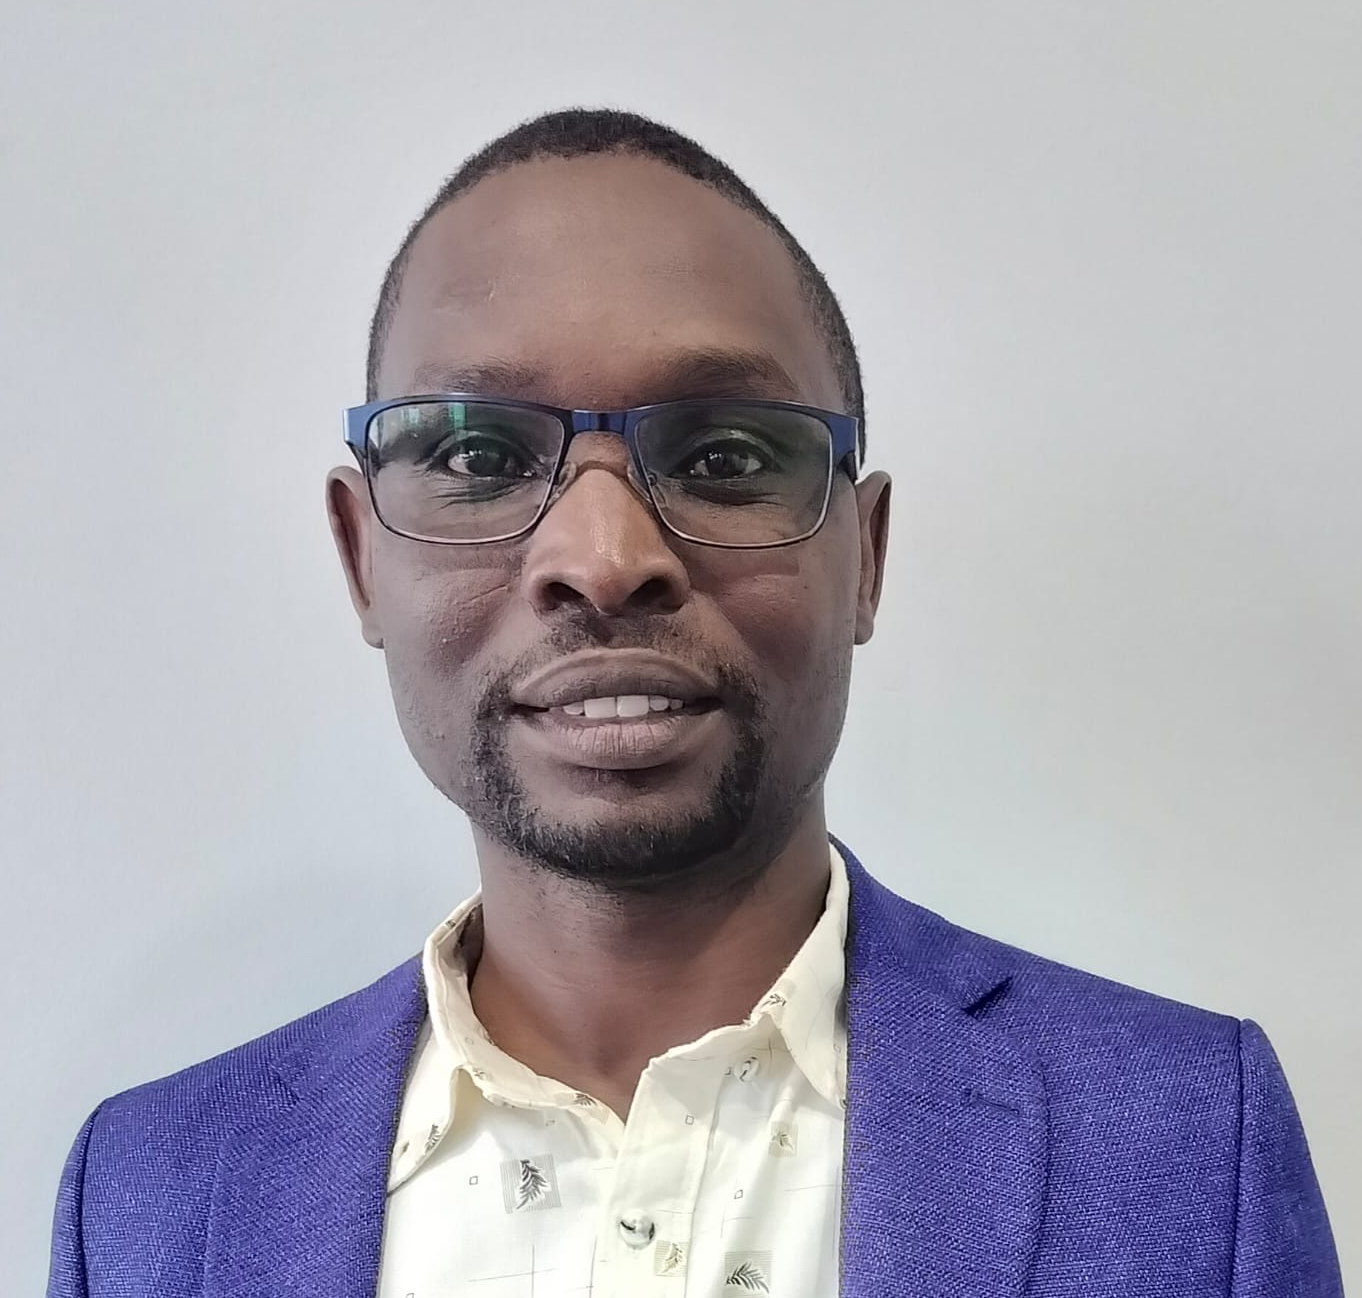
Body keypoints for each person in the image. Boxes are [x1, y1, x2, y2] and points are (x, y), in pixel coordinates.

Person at [47, 108, 1342, 1298]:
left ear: (864, 555)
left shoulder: (1183, 1128)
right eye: (480, 454)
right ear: (359, 555)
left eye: (724, 454)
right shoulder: (152, 1187)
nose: (603, 556)